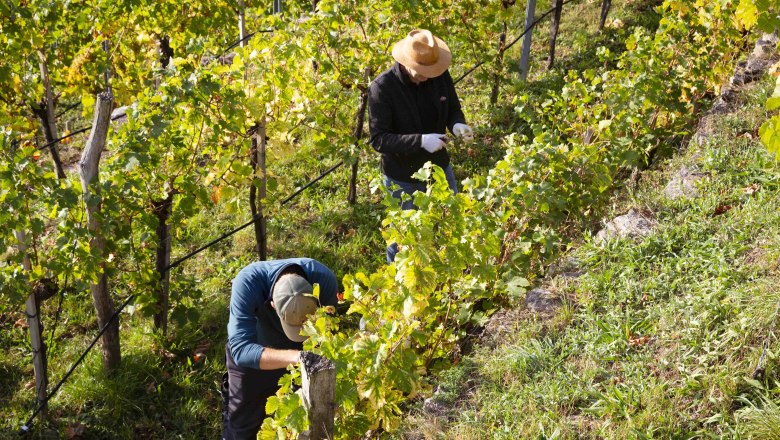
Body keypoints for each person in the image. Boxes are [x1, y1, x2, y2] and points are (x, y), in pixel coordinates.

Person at [368, 29, 473, 262]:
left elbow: (453, 108)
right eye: (422, 72)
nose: (428, 76)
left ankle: (445, 276)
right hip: (402, 177)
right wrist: (421, 141)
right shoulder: (382, 88)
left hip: (439, 169)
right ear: (405, 62)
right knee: (403, 239)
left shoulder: (439, 76)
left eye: (431, 71)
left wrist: (457, 125)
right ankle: (397, 285)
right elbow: (379, 139)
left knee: (449, 224)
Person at [222, 258, 338, 440]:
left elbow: (326, 334)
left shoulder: (324, 280)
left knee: (303, 416)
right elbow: (240, 350)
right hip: (255, 351)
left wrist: (305, 358)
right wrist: (297, 357)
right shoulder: (247, 282)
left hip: (302, 353)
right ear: (273, 305)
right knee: (242, 426)